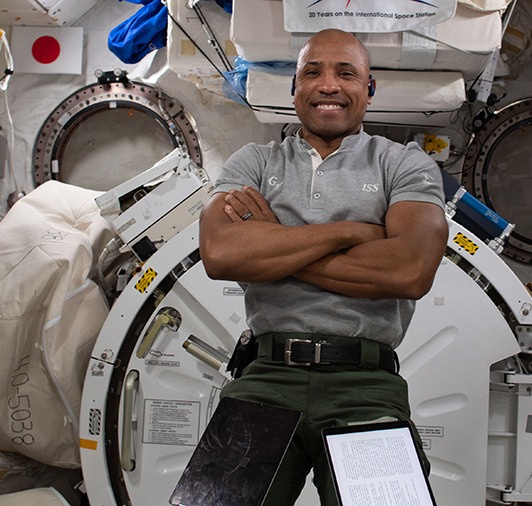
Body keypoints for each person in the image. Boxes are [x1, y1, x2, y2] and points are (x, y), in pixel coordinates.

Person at [198, 28, 448, 506]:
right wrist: (351, 232)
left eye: (346, 73)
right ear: (294, 90)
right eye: (312, 72)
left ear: (368, 90)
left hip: (366, 388)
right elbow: (222, 255)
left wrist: (275, 248)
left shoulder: (404, 165)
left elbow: (410, 271)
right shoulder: (252, 163)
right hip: (268, 377)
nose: (328, 84)